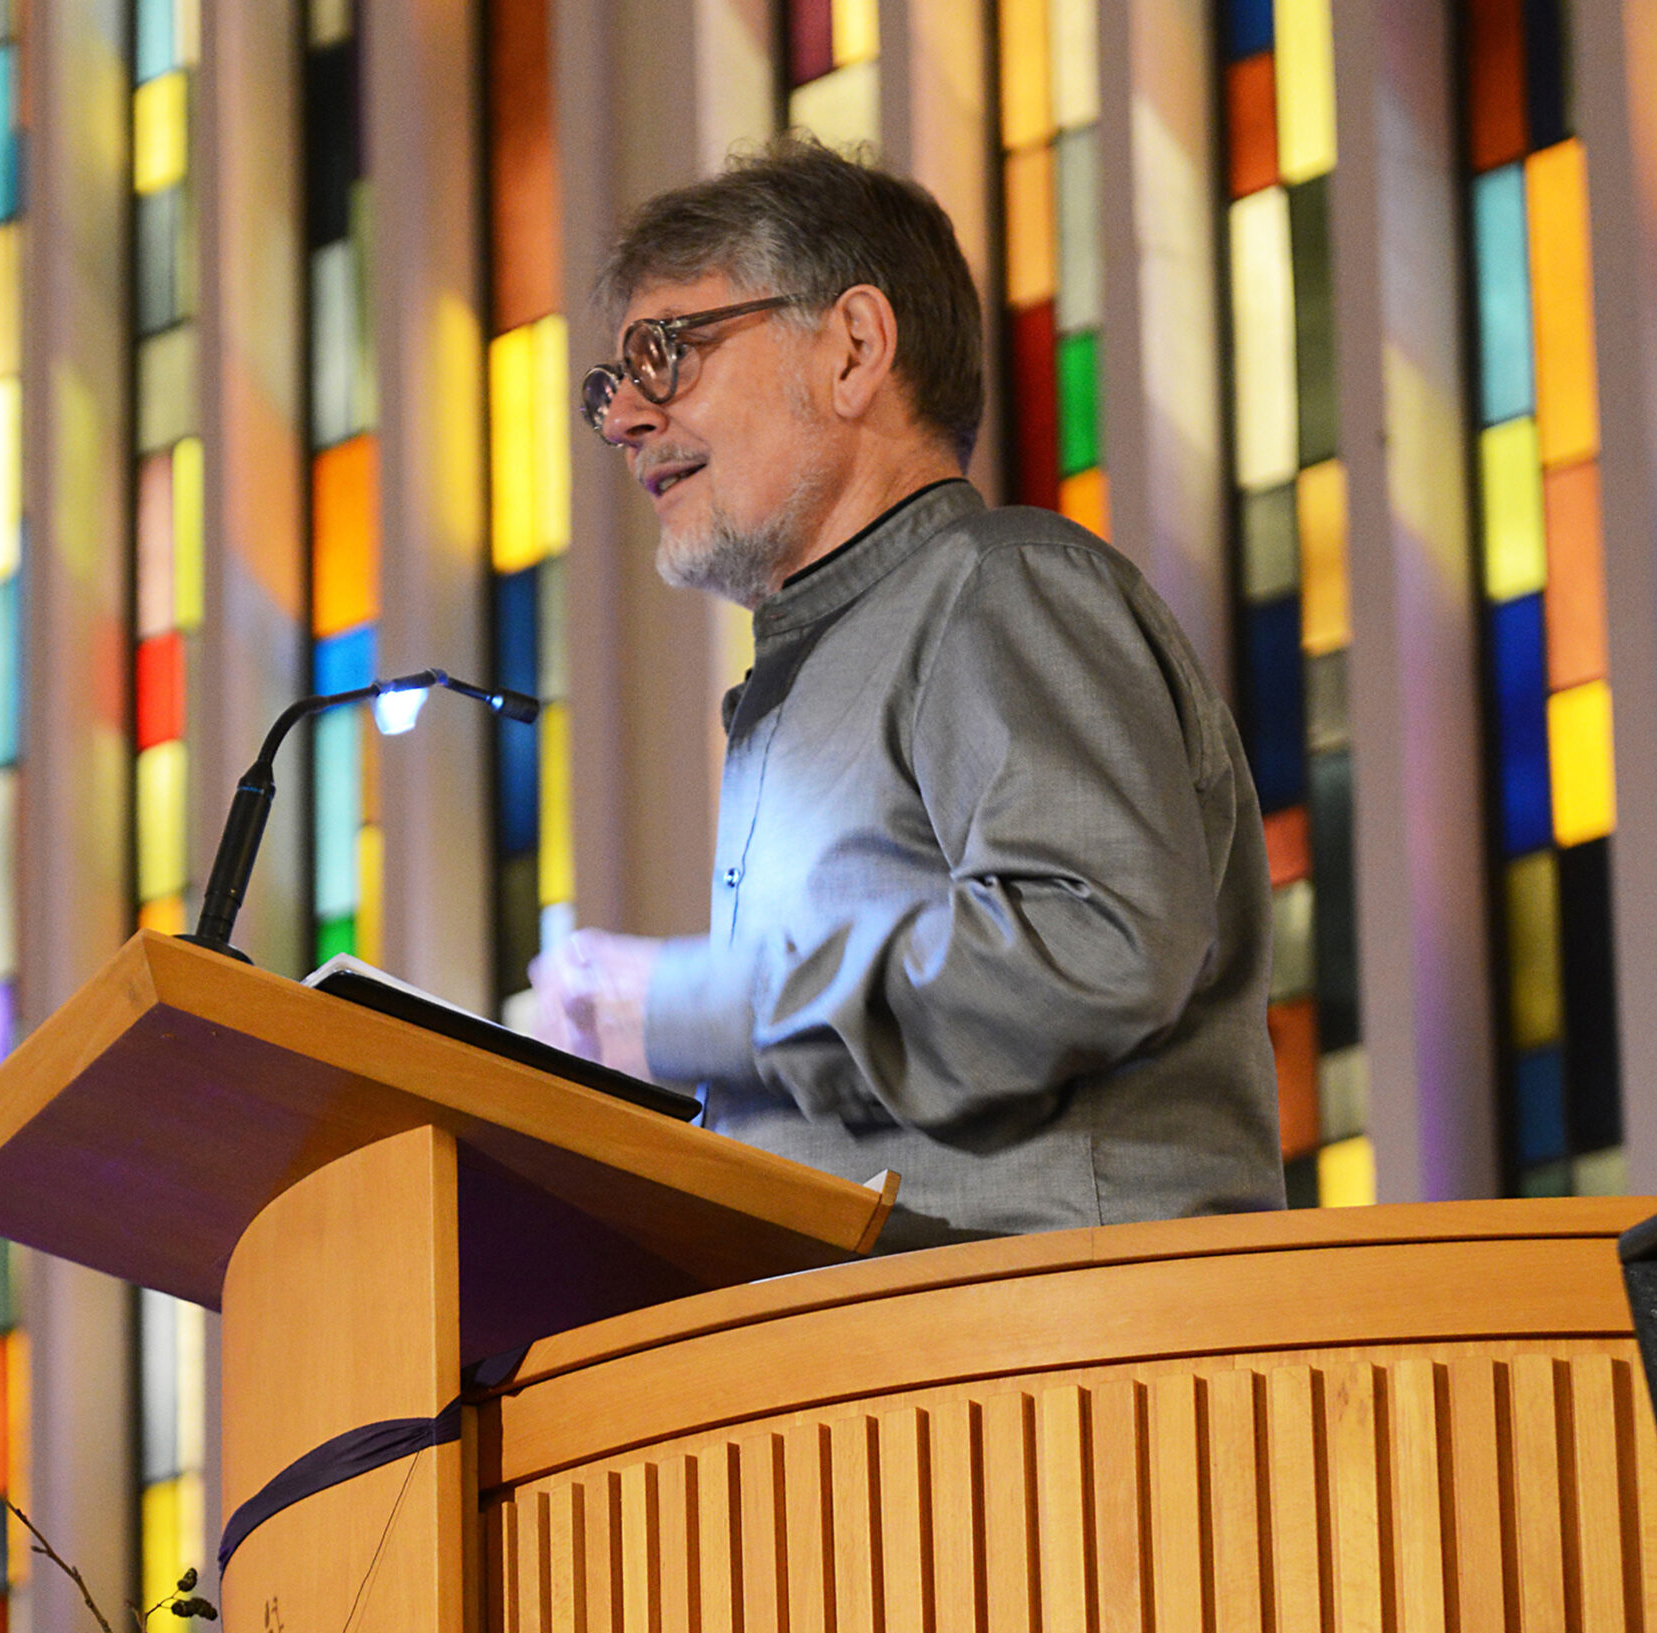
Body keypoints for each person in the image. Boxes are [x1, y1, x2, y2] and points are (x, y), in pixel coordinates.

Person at [531, 139, 1284, 1250]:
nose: (627, 419)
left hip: (1060, 1361)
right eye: (614, 385)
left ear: (852, 349)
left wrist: (692, 1006)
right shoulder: (807, 678)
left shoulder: (1000, 585)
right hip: (890, 1380)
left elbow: (1097, 945)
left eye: (670, 353)